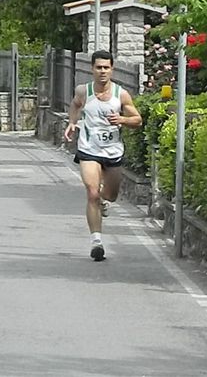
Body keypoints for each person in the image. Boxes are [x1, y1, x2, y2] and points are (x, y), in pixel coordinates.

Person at [64, 50, 142, 261]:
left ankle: (104, 201)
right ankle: (96, 241)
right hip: (89, 149)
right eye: (98, 67)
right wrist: (72, 122)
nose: (102, 71)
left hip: (113, 151)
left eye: (106, 67)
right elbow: (75, 105)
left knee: (111, 195)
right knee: (91, 192)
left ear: (112, 69)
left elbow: (137, 120)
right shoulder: (84, 91)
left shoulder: (121, 94)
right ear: (92, 69)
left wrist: (122, 120)